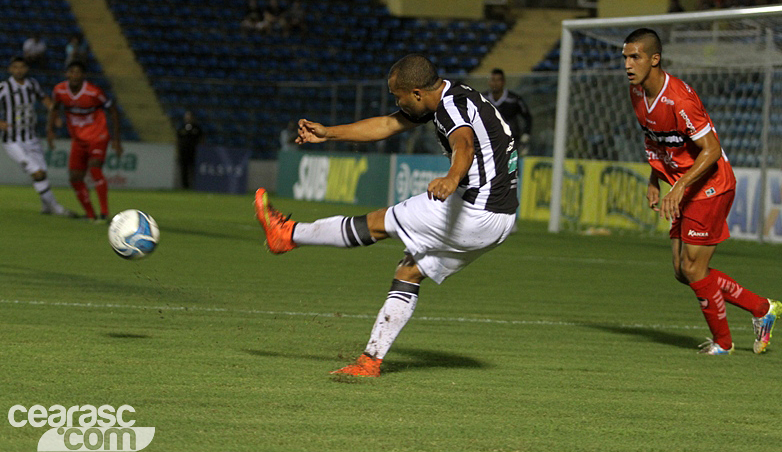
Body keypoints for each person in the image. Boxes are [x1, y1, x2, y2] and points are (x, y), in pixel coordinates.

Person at [254, 54, 518, 377]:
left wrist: (451, 177)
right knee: (410, 270)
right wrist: (328, 134)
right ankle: (370, 362)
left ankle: (287, 235)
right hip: (501, 218)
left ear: (417, 93)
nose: (398, 102)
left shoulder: (450, 108)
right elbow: (387, 124)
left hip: (476, 209)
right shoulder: (448, 97)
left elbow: (463, 145)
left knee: (377, 224)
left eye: (399, 96)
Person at [622, 28, 782, 356]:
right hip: (684, 185)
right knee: (683, 271)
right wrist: (656, 180)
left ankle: (723, 343)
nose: (627, 64)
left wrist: (678, 187)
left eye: (634, 56)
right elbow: (655, 139)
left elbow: (711, 149)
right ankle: (761, 308)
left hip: (710, 185)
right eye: (625, 57)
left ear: (655, 59)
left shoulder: (679, 98)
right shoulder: (637, 93)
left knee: (694, 268)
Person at [48, 61, 122, 222]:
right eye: (71, 72)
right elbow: (54, 107)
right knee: (74, 177)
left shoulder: (93, 92)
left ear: (83, 75)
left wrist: (117, 139)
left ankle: (104, 213)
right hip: (78, 139)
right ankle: (90, 215)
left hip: (98, 136)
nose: (74, 75)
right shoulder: (59, 90)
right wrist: (50, 131)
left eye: (78, 72)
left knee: (95, 168)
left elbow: (113, 109)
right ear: (67, 74)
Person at [0, 57, 73, 216]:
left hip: (31, 137)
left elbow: (45, 99)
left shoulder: (32, 84)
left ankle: (46, 207)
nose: (18, 70)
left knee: (42, 173)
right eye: (15, 67)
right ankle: (55, 207)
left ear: (26, 68)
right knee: (37, 172)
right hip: (13, 140)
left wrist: (55, 115)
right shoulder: (4, 87)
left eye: (22, 67)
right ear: (10, 70)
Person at [483, 68, 532, 155]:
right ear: (489, 82)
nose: (495, 83)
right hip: (488, 142)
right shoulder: (482, 99)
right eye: (493, 80)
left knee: (511, 167)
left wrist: (526, 134)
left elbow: (527, 117)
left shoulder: (514, 99)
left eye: (498, 80)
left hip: (510, 142)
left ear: (503, 82)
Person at [176, 110, 203, 189]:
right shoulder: (181, 127)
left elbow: (201, 139)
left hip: (193, 152)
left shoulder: (197, 128)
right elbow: (177, 138)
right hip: (183, 152)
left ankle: (195, 186)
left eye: (189, 116)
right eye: (186, 116)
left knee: (193, 169)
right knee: (183, 170)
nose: (188, 118)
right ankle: (185, 187)